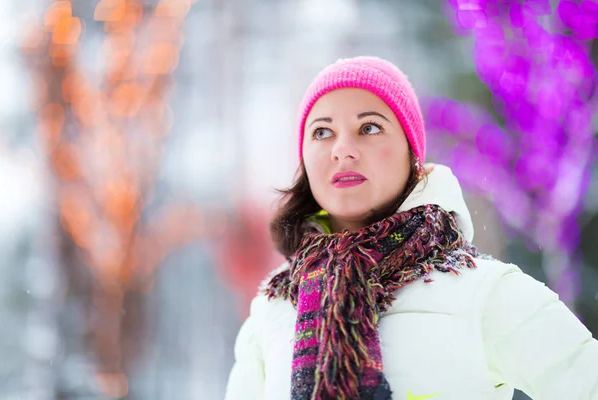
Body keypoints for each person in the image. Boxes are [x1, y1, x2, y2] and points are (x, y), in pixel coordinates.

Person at [224, 56, 598, 400]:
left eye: (369, 127)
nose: (342, 149)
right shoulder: (272, 310)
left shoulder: (485, 292)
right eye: (322, 132)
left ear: (412, 154)